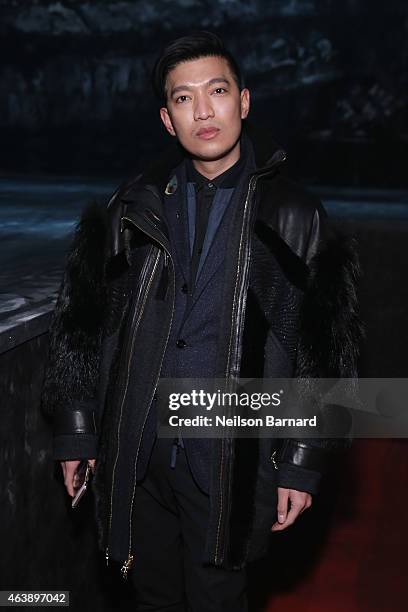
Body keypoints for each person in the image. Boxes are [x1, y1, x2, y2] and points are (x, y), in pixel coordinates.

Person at [41, 31, 363, 612]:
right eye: (184, 98)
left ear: (244, 101)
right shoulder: (131, 208)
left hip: (233, 457)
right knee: (150, 595)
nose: (204, 110)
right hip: (138, 455)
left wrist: (301, 461)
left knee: (221, 600)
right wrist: (77, 431)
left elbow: (327, 356)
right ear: (168, 120)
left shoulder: (294, 216)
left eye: (217, 90)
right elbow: (82, 326)